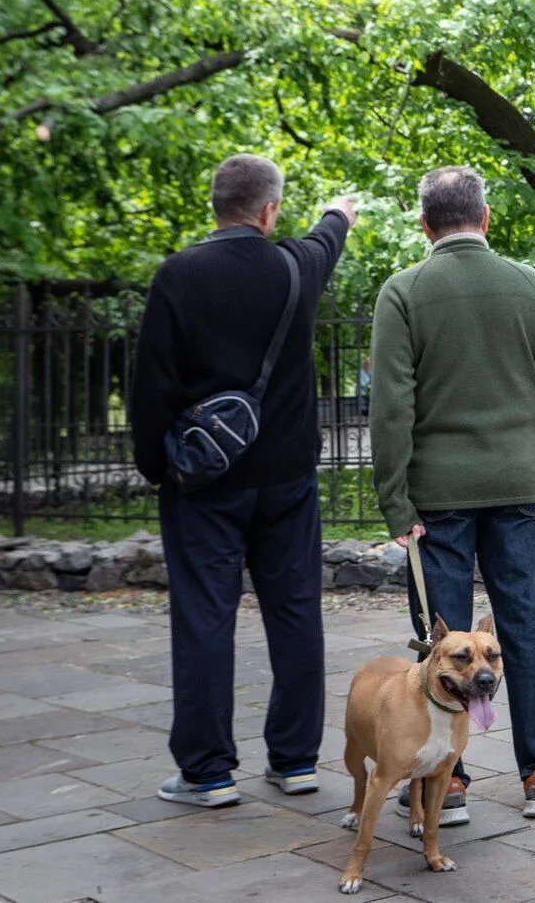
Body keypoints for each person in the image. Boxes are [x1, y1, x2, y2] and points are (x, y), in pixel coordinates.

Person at [129, 154, 357, 807]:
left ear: (215, 205)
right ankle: (294, 761)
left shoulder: (177, 275)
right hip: (287, 479)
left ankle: (206, 771)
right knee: (294, 612)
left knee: (205, 616)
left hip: (203, 483)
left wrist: (157, 465)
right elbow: (327, 236)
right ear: (269, 211)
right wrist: (340, 210)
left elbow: (150, 388)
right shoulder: (294, 267)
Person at [369, 165, 535, 824]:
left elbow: (392, 405)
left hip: (436, 494)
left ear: (424, 224)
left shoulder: (403, 292)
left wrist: (394, 497)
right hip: (519, 483)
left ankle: (447, 783)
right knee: (525, 633)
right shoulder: (528, 284)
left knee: (442, 641)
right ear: (485, 218)